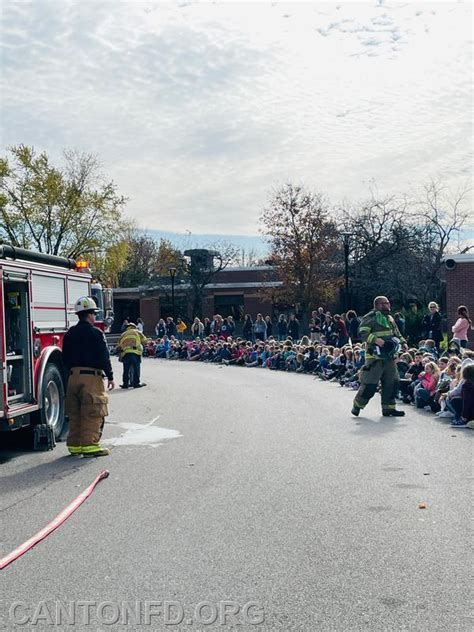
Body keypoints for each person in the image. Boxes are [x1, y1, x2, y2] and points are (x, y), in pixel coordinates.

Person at [63, 296, 115, 457]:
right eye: (94, 314)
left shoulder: (70, 333)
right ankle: (90, 446)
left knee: (75, 412)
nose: (94, 317)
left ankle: (74, 445)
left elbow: (64, 357)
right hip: (91, 378)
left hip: (73, 377)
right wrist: (111, 376)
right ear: (90, 314)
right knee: (93, 411)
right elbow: (103, 356)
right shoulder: (96, 333)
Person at [351, 296, 406, 417]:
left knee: (392, 383)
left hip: (390, 357)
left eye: (388, 303)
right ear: (379, 305)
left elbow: (397, 334)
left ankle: (389, 408)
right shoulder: (370, 317)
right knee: (370, 385)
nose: (388, 305)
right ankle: (357, 405)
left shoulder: (390, 318)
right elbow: (362, 333)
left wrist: (404, 343)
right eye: (386, 303)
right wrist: (376, 340)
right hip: (374, 358)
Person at [117, 322, 147, 389]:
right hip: (135, 352)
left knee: (126, 370)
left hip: (125, 353)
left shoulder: (123, 334)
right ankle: (136, 383)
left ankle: (125, 384)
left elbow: (118, 346)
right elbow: (145, 341)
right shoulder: (137, 331)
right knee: (136, 368)